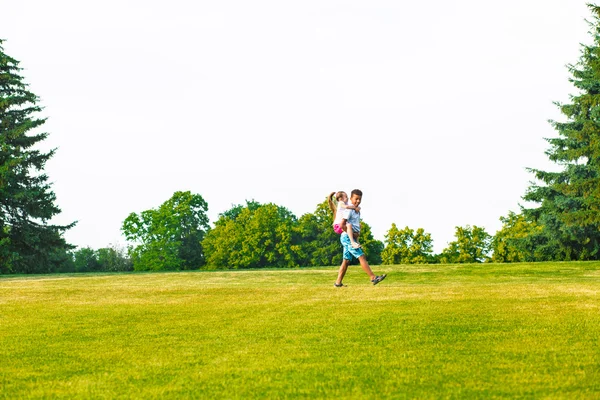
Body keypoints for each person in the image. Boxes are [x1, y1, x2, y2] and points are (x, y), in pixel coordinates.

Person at [334, 189, 387, 287]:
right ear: (351, 198)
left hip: (350, 238)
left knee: (346, 260)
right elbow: (342, 225)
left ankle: (338, 283)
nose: (358, 201)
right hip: (347, 237)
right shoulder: (349, 210)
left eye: (360, 199)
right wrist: (353, 236)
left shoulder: (356, 211)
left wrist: (357, 237)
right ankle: (373, 277)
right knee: (361, 256)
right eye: (356, 199)